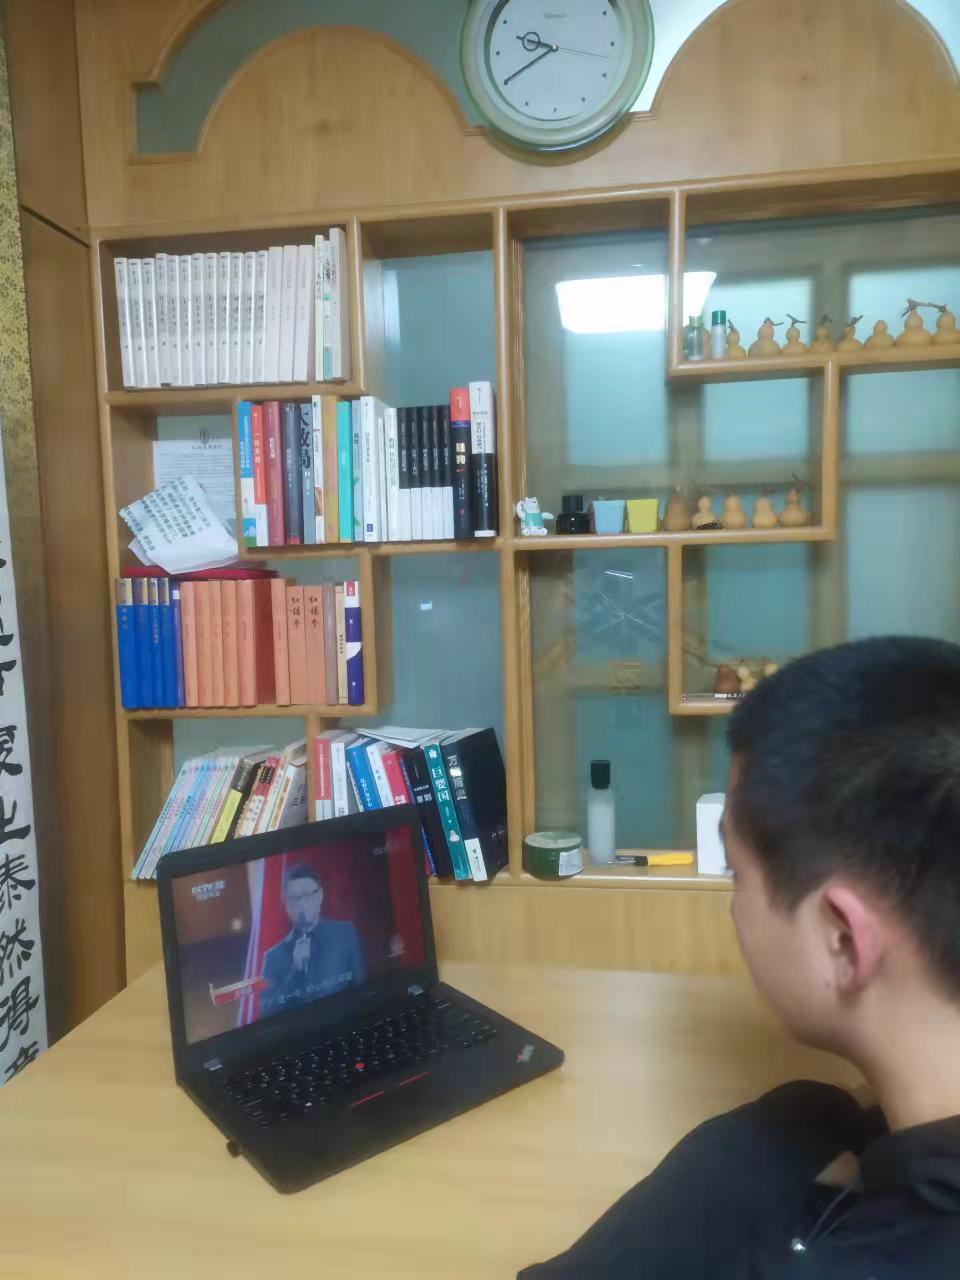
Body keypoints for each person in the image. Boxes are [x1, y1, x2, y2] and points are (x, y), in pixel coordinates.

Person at [520, 637, 960, 1277]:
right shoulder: (838, 1130)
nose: (734, 909)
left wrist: (724, 1169)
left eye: (737, 874)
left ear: (842, 939)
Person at [259, 863, 365, 1017]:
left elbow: (361, 988)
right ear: (285, 904)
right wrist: (295, 971)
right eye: (294, 898)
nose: (301, 904)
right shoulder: (273, 957)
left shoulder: (344, 933)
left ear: (320, 896)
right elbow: (267, 1013)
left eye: (307, 895)